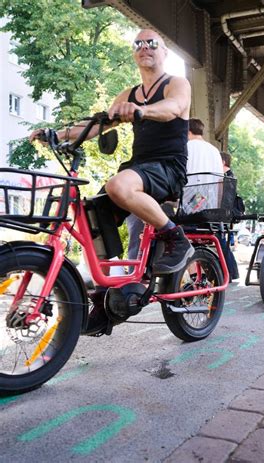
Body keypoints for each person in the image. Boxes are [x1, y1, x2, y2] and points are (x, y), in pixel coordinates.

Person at [30, 29, 194, 331]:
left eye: (151, 43)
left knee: (118, 184)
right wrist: (57, 134)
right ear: (134, 53)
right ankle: (107, 296)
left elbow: (172, 109)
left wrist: (141, 111)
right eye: (138, 44)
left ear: (164, 52)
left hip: (168, 167)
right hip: (139, 167)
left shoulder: (176, 84)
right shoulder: (128, 95)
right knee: (94, 211)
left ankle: (175, 238)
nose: (144, 48)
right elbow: (95, 126)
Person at [127, 117, 224, 260]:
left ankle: (142, 260)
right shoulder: (215, 151)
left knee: (142, 208)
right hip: (208, 205)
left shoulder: (185, 147)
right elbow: (221, 181)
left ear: (186, 131)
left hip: (188, 204)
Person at [219, 151, 240, 281]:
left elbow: (226, 200)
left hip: (224, 215)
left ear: (222, 162)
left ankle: (231, 272)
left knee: (222, 244)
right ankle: (231, 272)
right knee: (222, 244)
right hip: (225, 215)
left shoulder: (228, 178)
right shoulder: (229, 176)